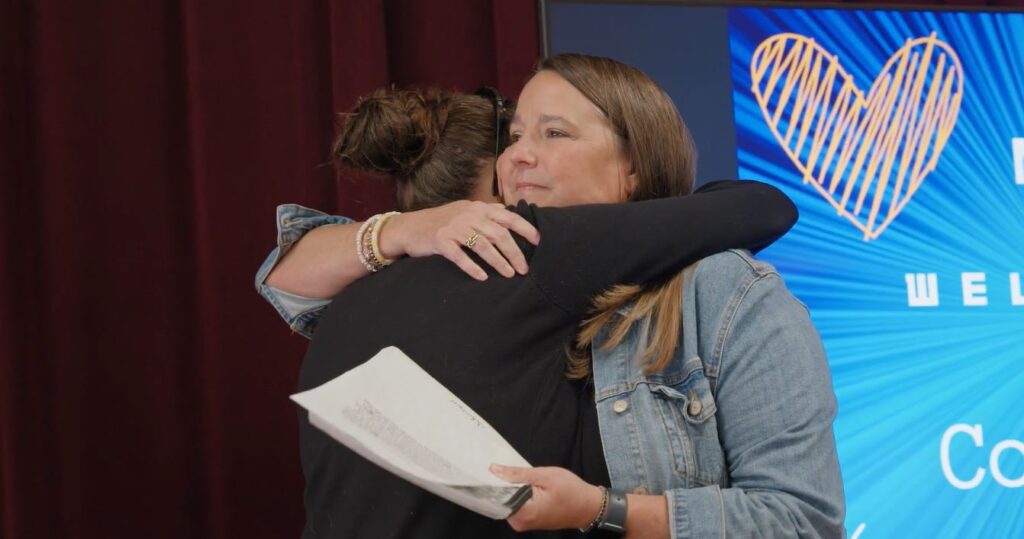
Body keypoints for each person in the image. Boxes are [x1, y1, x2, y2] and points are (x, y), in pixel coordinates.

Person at [260, 53, 845, 538]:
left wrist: (606, 510)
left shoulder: (719, 291)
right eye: (514, 136)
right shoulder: (466, 271)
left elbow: (800, 520)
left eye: (555, 133)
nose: (518, 154)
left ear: (635, 164)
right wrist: (404, 229)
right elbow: (286, 281)